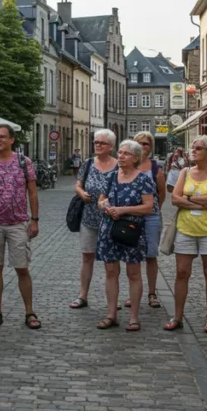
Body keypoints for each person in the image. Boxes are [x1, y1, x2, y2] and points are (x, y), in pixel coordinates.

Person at [0, 125, 41, 330]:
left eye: (2, 137)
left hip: (18, 223)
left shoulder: (24, 162)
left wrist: (35, 220)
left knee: (22, 268)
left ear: (12, 140)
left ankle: (29, 312)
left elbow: (32, 193)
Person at [165, 135, 207, 333]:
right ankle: (177, 316)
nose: (193, 151)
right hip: (186, 228)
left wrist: (188, 199)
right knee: (182, 272)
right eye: (193, 147)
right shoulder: (185, 172)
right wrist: (200, 200)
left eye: (198, 148)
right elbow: (175, 198)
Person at [95, 140, 156, 332]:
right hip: (109, 228)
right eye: (120, 152)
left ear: (136, 158)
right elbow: (101, 199)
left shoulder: (143, 179)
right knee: (111, 272)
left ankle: (134, 317)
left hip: (132, 230)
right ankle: (111, 314)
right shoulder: (111, 176)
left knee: (133, 273)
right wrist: (105, 206)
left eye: (126, 154)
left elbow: (148, 207)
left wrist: (122, 210)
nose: (120, 156)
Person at [69, 129, 118, 309]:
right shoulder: (88, 163)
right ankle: (83, 295)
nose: (97, 145)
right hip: (88, 218)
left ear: (111, 147)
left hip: (111, 219)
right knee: (87, 257)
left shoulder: (119, 166)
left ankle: (112, 300)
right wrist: (81, 193)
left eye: (102, 143)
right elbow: (78, 184)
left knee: (110, 261)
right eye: (96, 142)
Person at [130, 131, 165, 309]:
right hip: (130, 218)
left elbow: (161, 193)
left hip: (151, 217)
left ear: (151, 148)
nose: (143, 147)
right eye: (140, 143)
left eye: (146, 144)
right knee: (132, 257)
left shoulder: (155, 168)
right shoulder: (127, 167)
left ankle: (152, 293)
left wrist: (153, 210)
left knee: (151, 255)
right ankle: (133, 293)